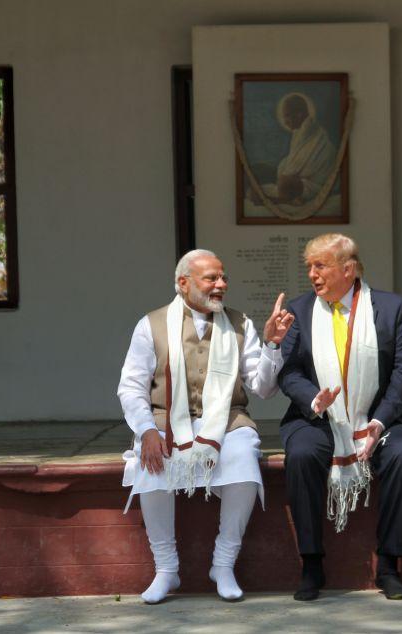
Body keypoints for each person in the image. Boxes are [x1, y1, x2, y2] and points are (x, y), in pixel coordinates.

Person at [117, 249, 294, 604]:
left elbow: (262, 387)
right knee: (149, 461)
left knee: (244, 457)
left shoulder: (240, 323)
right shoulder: (151, 324)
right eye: (211, 278)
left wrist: (274, 344)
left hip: (229, 420)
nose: (221, 285)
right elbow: (131, 386)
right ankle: (166, 570)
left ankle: (223, 564)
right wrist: (147, 430)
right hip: (165, 420)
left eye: (223, 277)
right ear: (184, 283)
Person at [278, 233, 402, 601]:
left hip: (381, 416)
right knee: (302, 454)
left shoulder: (391, 308)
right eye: (309, 266)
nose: (312, 274)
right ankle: (311, 563)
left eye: (320, 265)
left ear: (349, 269)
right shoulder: (301, 309)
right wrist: (314, 399)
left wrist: (379, 422)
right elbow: (289, 371)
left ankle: (389, 564)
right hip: (318, 418)